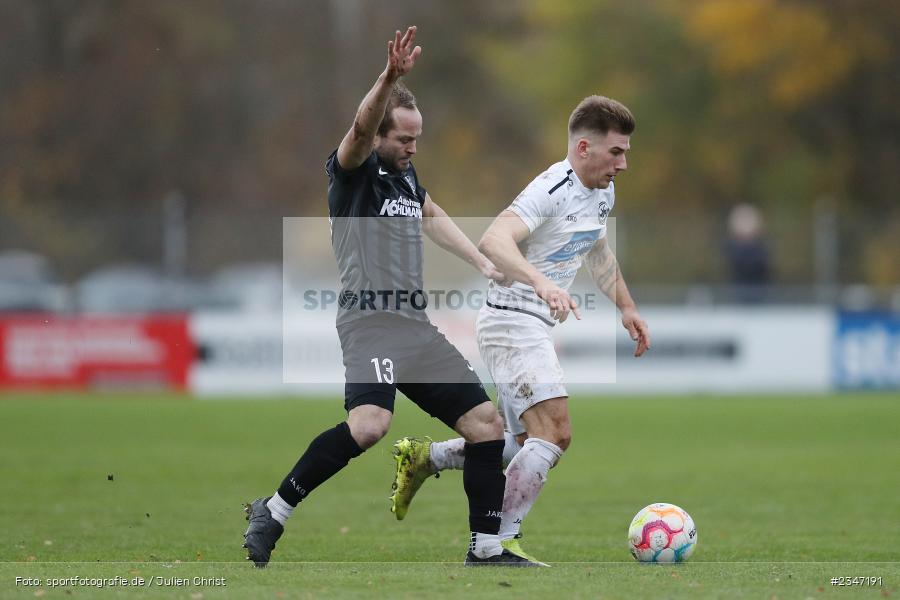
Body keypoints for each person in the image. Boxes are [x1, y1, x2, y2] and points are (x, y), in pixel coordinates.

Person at [243, 26, 536, 567]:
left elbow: (430, 213)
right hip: (369, 324)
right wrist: (387, 78)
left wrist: (480, 261)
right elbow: (359, 127)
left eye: (417, 139)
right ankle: (274, 510)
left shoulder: (405, 175)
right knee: (370, 426)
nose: (412, 147)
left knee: (485, 425)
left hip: (414, 329)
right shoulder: (352, 172)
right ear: (379, 135)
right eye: (403, 138)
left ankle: (486, 548)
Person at [390, 95, 651, 566]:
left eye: (626, 153)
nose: (623, 164)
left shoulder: (602, 193)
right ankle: (497, 542)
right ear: (585, 147)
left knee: (519, 444)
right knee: (556, 432)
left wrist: (627, 308)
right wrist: (541, 283)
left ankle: (427, 457)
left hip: (528, 325)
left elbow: (596, 250)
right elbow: (494, 240)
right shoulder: (552, 188)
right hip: (512, 321)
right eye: (616, 152)